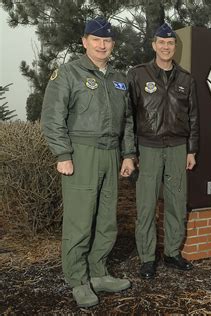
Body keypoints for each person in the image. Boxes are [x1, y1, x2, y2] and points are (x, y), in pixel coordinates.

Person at [41, 17, 136, 308]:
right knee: (79, 222)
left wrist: (128, 154)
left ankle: (98, 272)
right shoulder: (68, 73)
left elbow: (128, 120)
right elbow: (52, 117)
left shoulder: (119, 78)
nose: (102, 44)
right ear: (85, 42)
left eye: (107, 40)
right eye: (96, 39)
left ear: (112, 44)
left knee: (107, 220)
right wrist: (63, 154)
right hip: (81, 154)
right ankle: (77, 280)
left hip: (110, 154)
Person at [127, 22, 199, 278]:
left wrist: (191, 150)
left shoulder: (186, 79)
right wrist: (129, 152)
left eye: (170, 43)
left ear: (174, 47)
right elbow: (128, 116)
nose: (166, 47)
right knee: (146, 206)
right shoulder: (138, 75)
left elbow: (193, 118)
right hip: (148, 148)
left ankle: (172, 253)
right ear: (154, 45)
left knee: (176, 204)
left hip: (178, 147)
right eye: (162, 42)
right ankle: (147, 258)